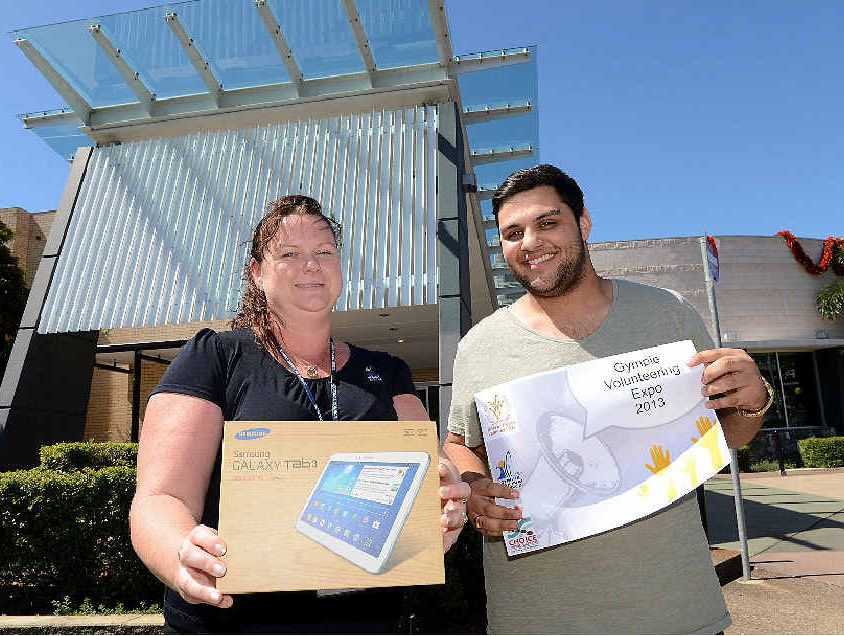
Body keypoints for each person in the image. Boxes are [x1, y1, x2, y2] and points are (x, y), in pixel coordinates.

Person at [443, 165, 773, 634]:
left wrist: (752, 401)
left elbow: (729, 435)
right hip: (536, 618)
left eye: (548, 222)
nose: (531, 242)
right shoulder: (480, 346)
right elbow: (459, 443)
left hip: (675, 611)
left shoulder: (668, 314)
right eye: (513, 233)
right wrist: (475, 488)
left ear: (584, 223)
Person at [130, 195, 470, 634]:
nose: (311, 265)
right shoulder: (214, 358)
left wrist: (443, 512)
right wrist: (180, 554)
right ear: (257, 272)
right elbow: (160, 499)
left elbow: (429, 484)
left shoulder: (388, 373)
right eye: (289, 254)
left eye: (324, 252)